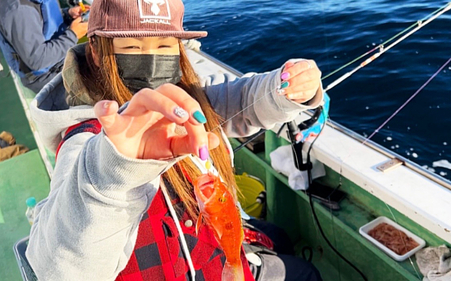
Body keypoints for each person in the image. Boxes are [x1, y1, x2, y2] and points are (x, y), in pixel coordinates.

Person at [26, 0, 324, 280]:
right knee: (306, 274)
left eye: (166, 45)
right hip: (181, 269)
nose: (152, 61)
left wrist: (286, 87)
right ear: (95, 51)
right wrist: (113, 172)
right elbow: (60, 267)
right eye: (131, 45)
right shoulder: (84, 141)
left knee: (281, 238)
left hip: (215, 249)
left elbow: (243, 98)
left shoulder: (191, 101)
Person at [0, 0, 89, 93]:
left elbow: (39, 18)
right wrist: (73, 35)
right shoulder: (17, 10)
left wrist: (68, 14)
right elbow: (38, 60)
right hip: (47, 76)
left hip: (60, 60)